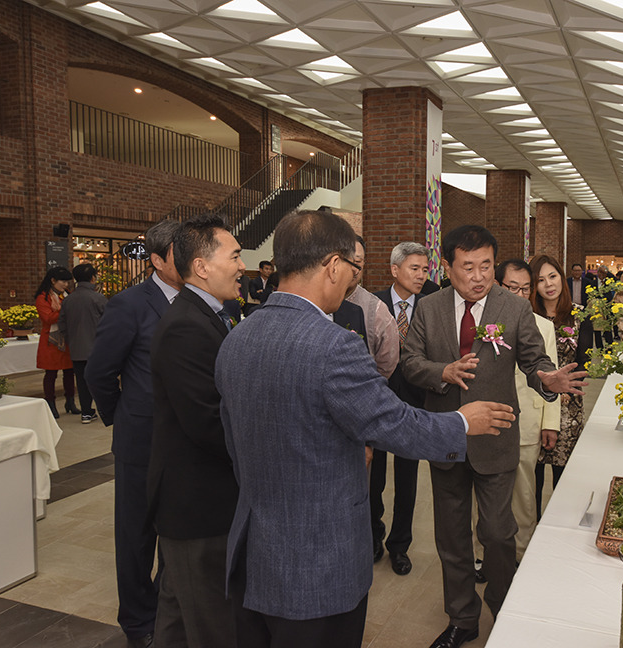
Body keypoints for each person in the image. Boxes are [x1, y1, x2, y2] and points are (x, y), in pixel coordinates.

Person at [215, 210, 515, 648]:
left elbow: (232, 441)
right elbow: (392, 423)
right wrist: (461, 423)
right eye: (351, 269)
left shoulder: (237, 337)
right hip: (319, 565)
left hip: (253, 556)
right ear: (334, 266)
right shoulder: (333, 343)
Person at [400, 225, 585, 648]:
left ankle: (505, 610)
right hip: (446, 435)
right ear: (447, 267)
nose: (479, 276)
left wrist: (546, 378)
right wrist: (441, 372)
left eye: (486, 265)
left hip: (497, 435)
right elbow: (410, 362)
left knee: (499, 534)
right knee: (451, 537)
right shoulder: (427, 309)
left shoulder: (513, 308)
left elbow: (534, 358)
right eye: (468, 267)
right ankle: (462, 619)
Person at [148, 214, 246, 647]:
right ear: (202, 266)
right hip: (196, 504)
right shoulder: (186, 325)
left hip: (199, 500)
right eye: (236, 256)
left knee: (176, 614)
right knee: (211, 621)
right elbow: (208, 421)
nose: (243, 266)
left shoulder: (210, 314)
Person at [87, 220, 182, 648]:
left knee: (177, 531)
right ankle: (139, 622)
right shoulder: (128, 305)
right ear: (158, 260)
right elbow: (100, 372)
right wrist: (122, 416)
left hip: (186, 443)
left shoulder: (206, 301)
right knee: (136, 537)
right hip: (141, 441)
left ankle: (167, 609)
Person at [371, 241, 430, 576]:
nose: (422, 275)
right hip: (376, 404)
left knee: (407, 481)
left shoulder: (431, 306)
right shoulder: (369, 304)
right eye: (414, 268)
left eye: (425, 269)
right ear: (395, 270)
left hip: (414, 405)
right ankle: (373, 537)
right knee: (373, 479)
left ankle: (400, 546)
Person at [494, 259, 559, 560]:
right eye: (512, 288)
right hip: (491, 420)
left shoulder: (543, 326)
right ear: (499, 286)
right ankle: (483, 553)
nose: (520, 294)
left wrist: (551, 424)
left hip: (529, 420)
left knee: (523, 495)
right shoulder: (488, 324)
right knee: (485, 495)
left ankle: (522, 554)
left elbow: (552, 377)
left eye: (525, 289)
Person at [530, 255, 586, 513]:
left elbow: (584, 363)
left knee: (564, 474)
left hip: (569, 403)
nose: (548, 285)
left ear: (562, 278)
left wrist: (566, 387)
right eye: (540, 280)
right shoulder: (527, 318)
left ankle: (559, 525)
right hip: (536, 401)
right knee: (534, 473)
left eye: (553, 276)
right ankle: (534, 527)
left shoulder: (578, 316)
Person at [58, 263, 107, 424]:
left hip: (77, 348)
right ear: (93, 278)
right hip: (98, 348)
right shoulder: (98, 298)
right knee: (101, 380)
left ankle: (86, 412)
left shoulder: (68, 300)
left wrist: (70, 339)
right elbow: (110, 323)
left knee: (82, 381)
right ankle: (105, 410)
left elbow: (62, 324)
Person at [345, 235, 399, 380]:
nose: (353, 268)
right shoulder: (316, 300)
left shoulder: (376, 308)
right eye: (347, 261)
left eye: (358, 262)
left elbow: (387, 363)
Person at [35, 266, 76, 419]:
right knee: (51, 374)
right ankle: (51, 404)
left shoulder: (67, 295)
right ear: (53, 281)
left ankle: (70, 402)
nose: (66, 285)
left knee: (69, 372)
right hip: (51, 340)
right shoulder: (43, 297)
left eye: (67, 282)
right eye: (63, 281)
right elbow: (48, 318)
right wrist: (65, 309)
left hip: (66, 339)